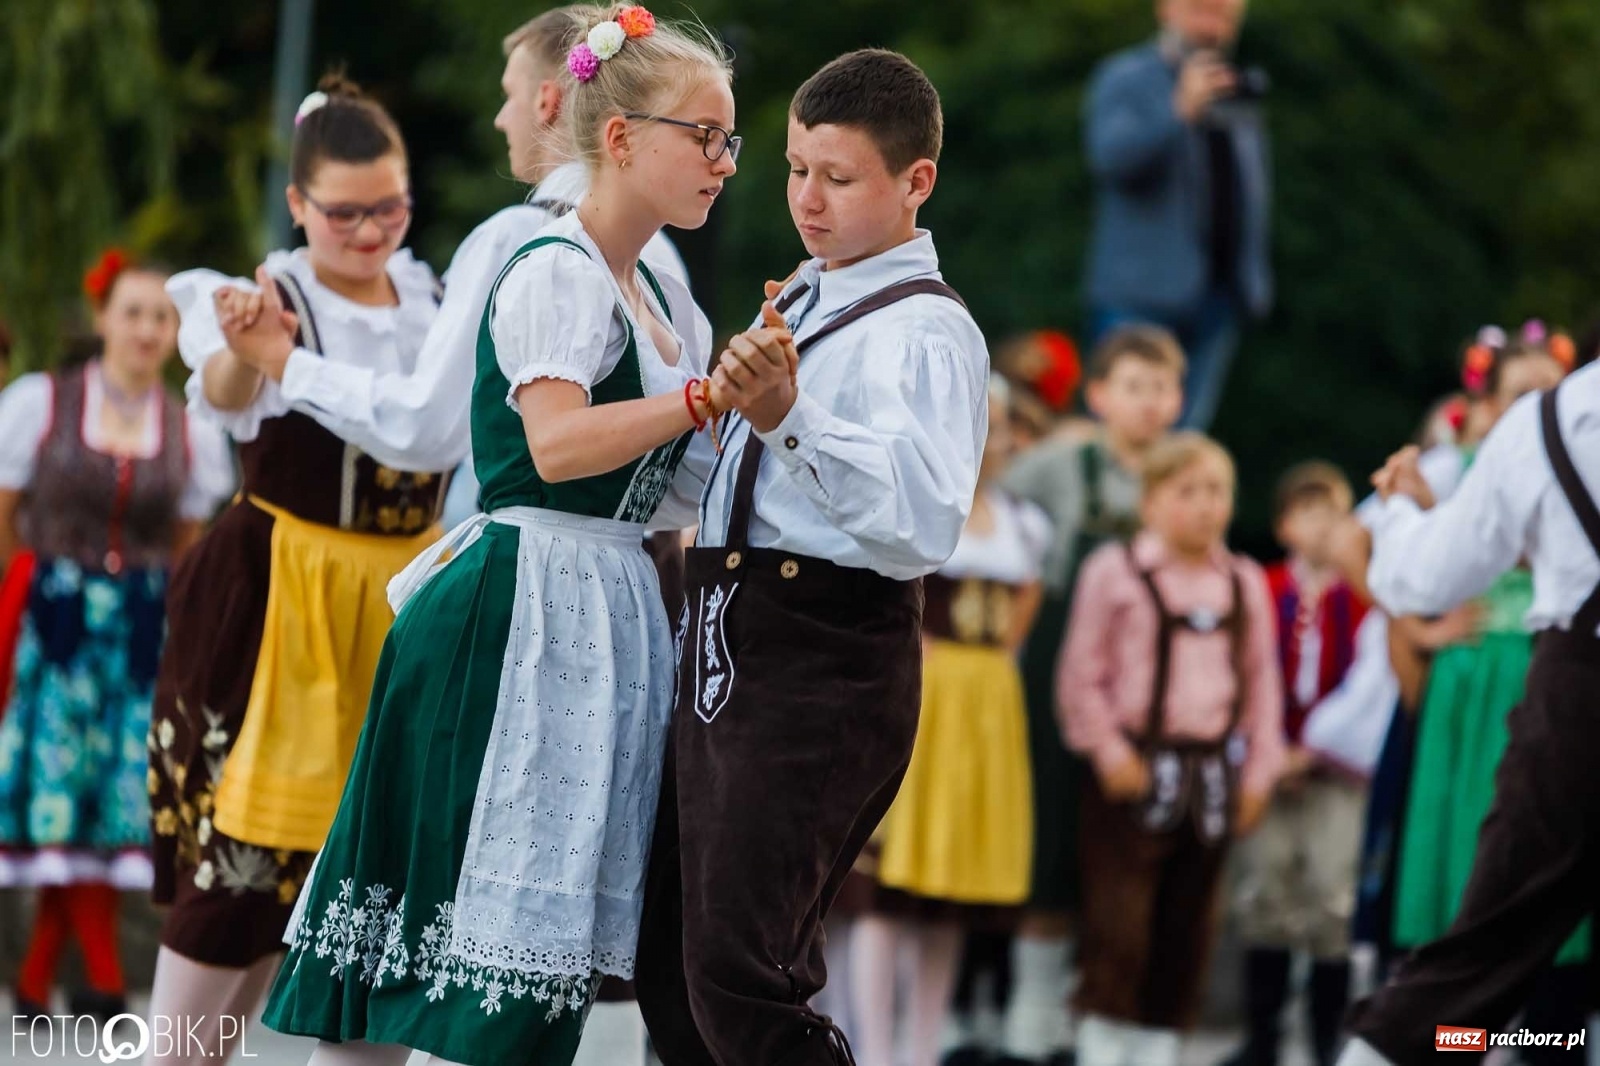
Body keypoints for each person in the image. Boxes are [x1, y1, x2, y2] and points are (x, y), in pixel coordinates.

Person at [259, 8, 740, 1064]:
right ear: (619, 138)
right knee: (446, 951)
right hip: (515, 607)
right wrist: (706, 398)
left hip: (603, 606)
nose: (723, 161)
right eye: (702, 136)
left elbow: (672, 485)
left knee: (517, 961)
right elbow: (560, 445)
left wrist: (764, 412)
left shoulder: (662, 292)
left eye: (729, 140)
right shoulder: (553, 266)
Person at [635, 47, 990, 1066]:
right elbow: (739, 479)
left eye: (837, 178)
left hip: (821, 651)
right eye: (794, 168)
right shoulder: (801, 292)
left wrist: (789, 415)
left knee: (746, 975)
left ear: (915, 180)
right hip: (729, 635)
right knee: (675, 966)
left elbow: (922, 523)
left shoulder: (923, 330)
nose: (806, 198)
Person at [148, 76, 457, 1064]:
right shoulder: (271, 291)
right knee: (242, 876)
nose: (370, 232)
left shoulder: (435, 295)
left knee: (378, 898)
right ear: (298, 206)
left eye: (390, 206)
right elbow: (225, 391)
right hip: (284, 600)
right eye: (344, 213)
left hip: (407, 603)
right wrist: (248, 345)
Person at [1339, 353, 1599, 1066]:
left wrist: (1402, 513)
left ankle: (1510, 1045)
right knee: (1480, 909)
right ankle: (1506, 1047)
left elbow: (1423, 570)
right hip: (1489, 703)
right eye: (1518, 392)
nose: (1534, 400)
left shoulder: (1551, 429)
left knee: (1495, 933)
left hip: (1566, 697)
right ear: (1483, 406)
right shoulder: (1487, 458)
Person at [0, 251, 234, 1020]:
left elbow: (188, 544)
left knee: (116, 802)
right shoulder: (43, 403)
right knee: (60, 795)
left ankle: (38, 976)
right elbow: (6, 518)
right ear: (102, 317)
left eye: (161, 317)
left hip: (139, 631)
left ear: (175, 332)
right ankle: (98, 973)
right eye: (132, 313)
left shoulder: (188, 430)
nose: (145, 329)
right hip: (56, 625)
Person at [1058, 432, 1283, 1066]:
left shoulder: (1242, 582)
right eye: (1187, 491)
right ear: (1150, 500)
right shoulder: (1116, 571)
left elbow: (1262, 686)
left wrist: (1259, 776)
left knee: (1188, 929)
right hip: (1131, 772)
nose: (1206, 506)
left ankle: (1159, 1050)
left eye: (1217, 491)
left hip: (1211, 776)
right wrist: (1108, 752)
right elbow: (1081, 675)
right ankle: (1103, 1048)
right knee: (1119, 925)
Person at [992, 325, 1183, 1066]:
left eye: (1163, 387)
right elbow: (985, 495)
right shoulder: (1062, 463)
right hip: (1056, 667)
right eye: (1134, 386)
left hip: (1150, 684)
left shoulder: (1184, 475)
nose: (1149, 403)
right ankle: (1028, 1025)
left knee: (1125, 853)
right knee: (1048, 844)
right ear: (1100, 395)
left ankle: (1098, 1019)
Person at [845, 377, 1047, 1066]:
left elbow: (1017, 628)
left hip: (984, 708)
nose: (996, 439)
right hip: (924, 693)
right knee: (887, 891)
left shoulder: (1024, 524)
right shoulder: (929, 505)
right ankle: (872, 1049)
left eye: (1004, 425)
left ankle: (922, 1050)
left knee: (951, 893)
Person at [1221, 462, 1367, 1066]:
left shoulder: (1361, 595)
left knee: (1332, 897)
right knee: (1266, 891)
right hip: (1271, 762)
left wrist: (1325, 746)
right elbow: (1245, 671)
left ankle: (1326, 1040)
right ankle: (1262, 1039)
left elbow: (1369, 678)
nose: (1323, 527)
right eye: (1310, 513)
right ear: (1283, 524)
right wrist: (1267, 747)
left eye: (1335, 514)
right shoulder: (1264, 587)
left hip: (1336, 768)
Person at [1083, 0, 1271, 430]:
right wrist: (1178, 113)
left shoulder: (1233, 84)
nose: (1215, 11)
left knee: (1182, 446)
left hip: (1219, 295)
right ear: (1165, 8)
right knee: (1125, 437)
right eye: (1201, 5)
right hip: (1140, 297)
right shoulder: (1127, 77)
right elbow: (1111, 159)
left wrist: (1253, 279)